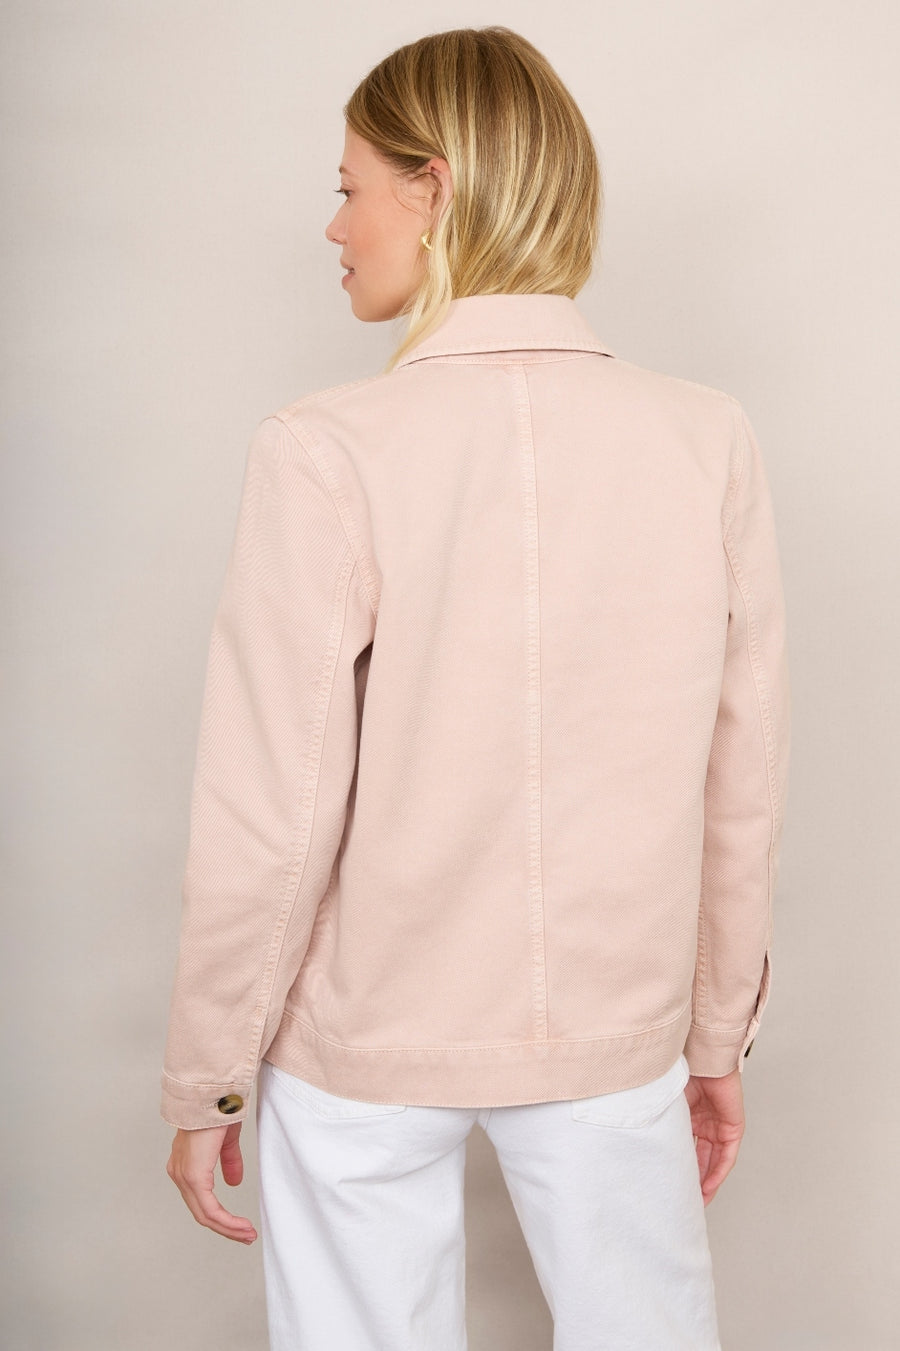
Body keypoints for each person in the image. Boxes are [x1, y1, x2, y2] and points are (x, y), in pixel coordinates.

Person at [162, 25, 791, 1351]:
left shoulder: (323, 450)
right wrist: (713, 1037)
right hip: (615, 1034)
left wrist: (210, 1078)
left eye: (350, 187)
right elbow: (741, 785)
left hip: (366, 1043)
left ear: (434, 187)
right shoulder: (706, 439)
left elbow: (272, 812)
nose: (334, 226)